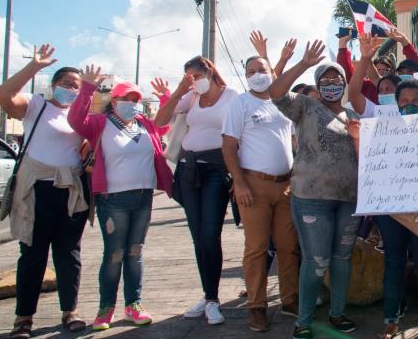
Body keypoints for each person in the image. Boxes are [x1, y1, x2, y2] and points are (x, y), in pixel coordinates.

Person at [348, 34, 418, 338]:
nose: (408, 105)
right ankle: (391, 319)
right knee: (393, 262)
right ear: (395, 101)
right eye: (403, 100)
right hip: (388, 209)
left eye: (415, 102)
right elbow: (354, 95)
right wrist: (364, 60)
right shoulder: (380, 117)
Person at [267, 41, 362, 339]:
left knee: (341, 259)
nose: (332, 85)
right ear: (318, 85)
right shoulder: (305, 107)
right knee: (316, 260)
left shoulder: (352, 117)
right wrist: (303, 64)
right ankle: (304, 320)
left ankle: (337, 314)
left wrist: (357, 137)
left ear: (345, 85)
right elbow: (276, 93)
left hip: (349, 200)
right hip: (312, 199)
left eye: (337, 80)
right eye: (326, 81)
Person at [68, 66, 174, 331]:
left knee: (135, 252)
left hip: (143, 197)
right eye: (125, 99)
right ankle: (106, 308)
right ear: (113, 101)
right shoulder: (100, 123)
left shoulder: (144, 124)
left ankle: (133, 305)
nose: (131, 104)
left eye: (135, 100)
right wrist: (87, 89)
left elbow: (165, 125)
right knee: (114, 253)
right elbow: (75, 120)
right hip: (112, 199)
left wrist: (165, 98)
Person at [0, 46, 88, 338]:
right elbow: (4, 96)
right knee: (33, 255)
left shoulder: (80, 114)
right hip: (37, 190)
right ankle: (23, 319)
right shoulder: (36, 105)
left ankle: (70, 312)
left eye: (77, 86)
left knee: (69, 254)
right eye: (67, 85)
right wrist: (33, 67)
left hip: (70, 191)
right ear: (54, 85)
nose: (72, 90)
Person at [153, 56, 237, 325]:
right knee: (197, 235)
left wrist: (238, 174)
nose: (193, 82)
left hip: (217, 169)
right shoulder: (189, 99)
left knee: (210, 233)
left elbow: (241, 134)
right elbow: (160, 121)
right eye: (187, 78)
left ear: (209, 72)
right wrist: (179, 91)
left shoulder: (231, 96)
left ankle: (213, 300)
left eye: (195, 77)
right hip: (189, 169)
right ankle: (207, 294)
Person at [221, 55, 299, 333]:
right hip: (254, 186)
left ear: (271, 72)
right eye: (251, 71)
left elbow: (292, 139)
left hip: (287, 186)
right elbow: (229, 146)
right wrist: (239, 183)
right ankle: (257, 306)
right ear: (245, 76)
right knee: (256, 249)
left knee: (289, 247)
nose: (257, 74)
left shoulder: (283, 102)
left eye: (261, 70)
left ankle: (290, 301)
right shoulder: (240, 103)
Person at [338, 27, 418, 104]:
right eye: (378, 71)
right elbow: (349, 76)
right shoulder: (366, 86)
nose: (381, 75)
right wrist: (342, 46)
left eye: (385, 71)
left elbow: (413, 65)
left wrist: (404, 40)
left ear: (392, 72)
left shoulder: (402, 89)